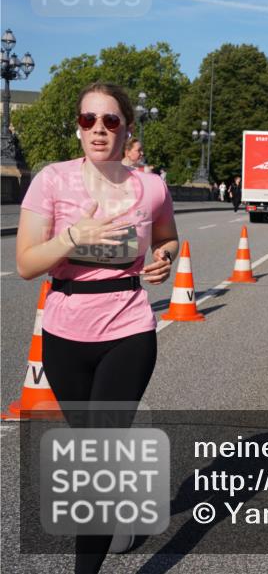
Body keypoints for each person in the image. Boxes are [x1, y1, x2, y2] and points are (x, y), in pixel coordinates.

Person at [15, 82, 179, 574]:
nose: (99, 130)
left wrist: (164, 260)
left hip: (128, 327)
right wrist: (72, 235)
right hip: (65, 333)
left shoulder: (151, 187)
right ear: (78, 127)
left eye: (110, 121)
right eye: (89, 120)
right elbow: (25, 263)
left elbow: (168, 239)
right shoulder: (52, 180)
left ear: (126, 126)